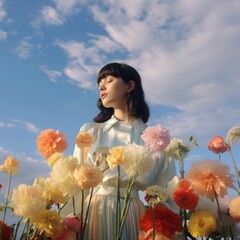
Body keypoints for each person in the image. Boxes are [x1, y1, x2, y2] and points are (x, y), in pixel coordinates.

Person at [65, 62, 177, 239]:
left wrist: (167, 231)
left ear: (130, 86)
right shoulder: (91, 132)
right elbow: (75, 182)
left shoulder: (155, 139)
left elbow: (167, 190)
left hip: (134, 213)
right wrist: (66, 223)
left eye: (109, 80)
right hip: (95, 211)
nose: (102, 86)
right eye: (99, 83)